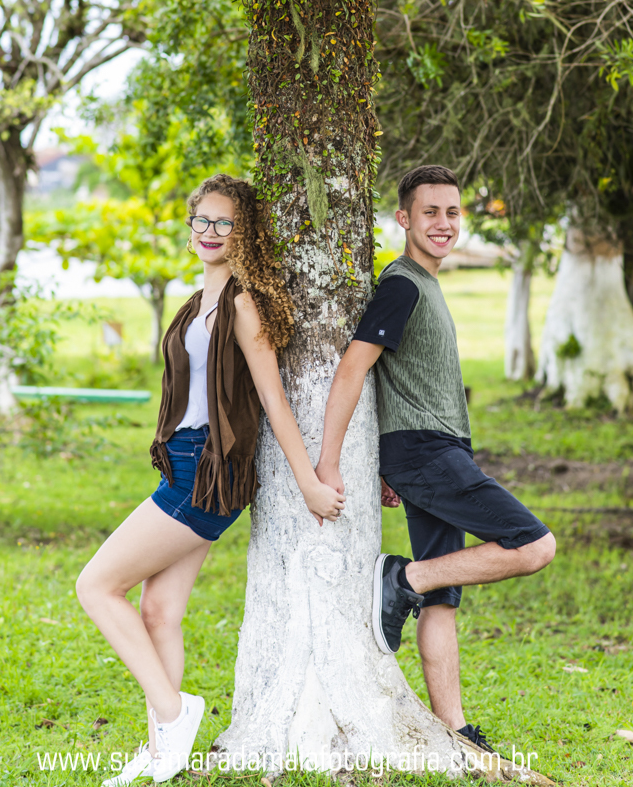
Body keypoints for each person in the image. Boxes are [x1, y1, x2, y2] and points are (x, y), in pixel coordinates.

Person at [76, 174, 345, 787]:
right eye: (202, 220)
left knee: (96, 586)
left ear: (244, 232)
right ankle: (161, 750)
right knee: (159, 611)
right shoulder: (196, 303)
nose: (210, 232)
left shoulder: (243, 305)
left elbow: (273, 400)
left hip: (207, 471)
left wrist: (308, 482)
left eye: (225, 222)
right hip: (184, 462)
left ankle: (175, 714)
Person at [315, 164, 555, 752]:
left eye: (452, 212)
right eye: (430, 212)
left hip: (428, 454)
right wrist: (330, 461)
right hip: (426, 453)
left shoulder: (426, 282)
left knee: (442, 600)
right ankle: (401, 579)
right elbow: (353, 368)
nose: (443, 223)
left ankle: (455, 732)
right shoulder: (402, 284)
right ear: (404, 218)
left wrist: (384, 462)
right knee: (534, 545)